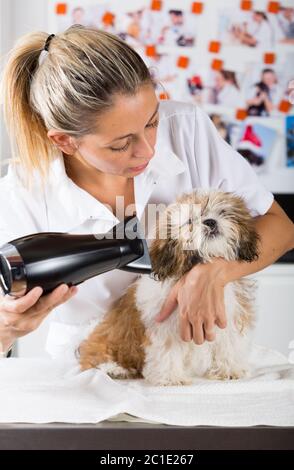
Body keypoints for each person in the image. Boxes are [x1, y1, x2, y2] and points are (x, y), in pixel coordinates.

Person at [0, 26, 293, 359]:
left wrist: (217, 271)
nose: (148, 151)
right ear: (64, 141)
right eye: (121, 144)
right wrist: (8, 327)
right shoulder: (22, 193)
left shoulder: (186, 129)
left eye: (152, 122)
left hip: (189, 361)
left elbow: (281, 227)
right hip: (90, 367)